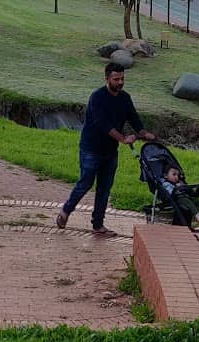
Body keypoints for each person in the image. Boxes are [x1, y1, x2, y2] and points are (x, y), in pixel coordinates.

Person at [57, 65, 154, 234]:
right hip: (91, 148)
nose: (120, 82)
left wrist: (144, 133)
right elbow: (103, 124)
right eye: (116, 79)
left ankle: (98, 225)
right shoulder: (97, 97)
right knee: (85, 183)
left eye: (122, 79)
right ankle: (66, 210)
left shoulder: (125, 98)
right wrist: (123, 139)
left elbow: (134, 118)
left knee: (104, 188)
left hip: (110, 151)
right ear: (107, 79)